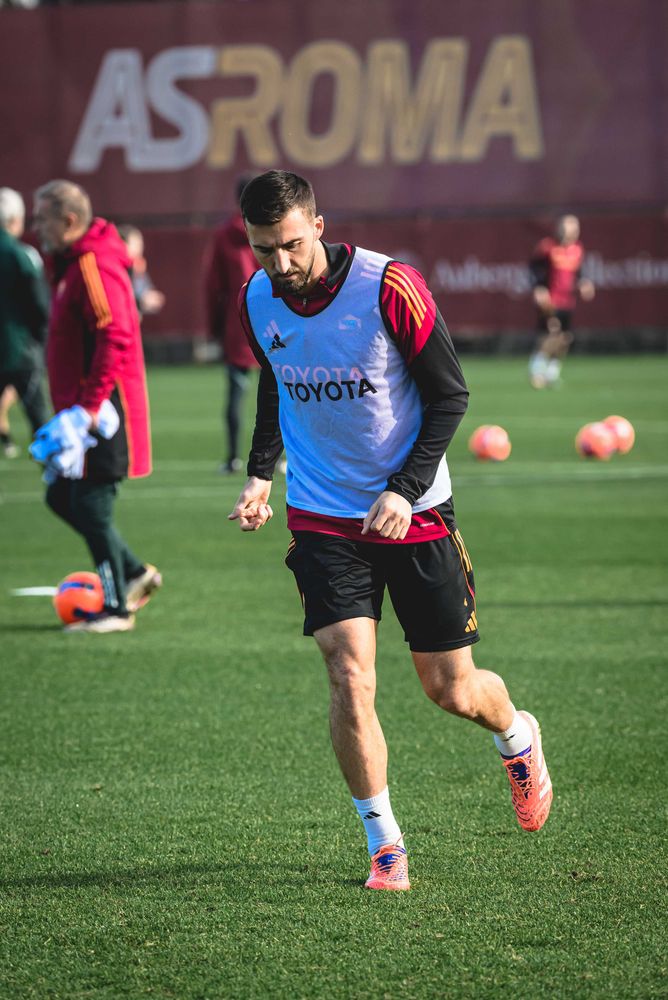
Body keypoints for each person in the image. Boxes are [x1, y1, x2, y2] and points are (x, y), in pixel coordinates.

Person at [229, 170, 553, 891]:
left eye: (290, 244)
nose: (279, 262)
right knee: (348, 674)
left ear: (318, 225)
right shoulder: (256, 297)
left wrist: (404, 490)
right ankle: (385, 845)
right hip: (323, 515)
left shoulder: (389, 287)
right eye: (262, 248)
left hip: (417, 512)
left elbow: (450, 395)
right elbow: (277, 380)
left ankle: (516, 735)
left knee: (451, 689)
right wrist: (260, 474)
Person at [31, 179, 162, 633]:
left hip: (105, 411)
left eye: (42, 219)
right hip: (83, 410)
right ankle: (133, 572)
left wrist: (88, 407)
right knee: (61, 496)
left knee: (89, 503)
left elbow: (115, 334)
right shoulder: (72, 264)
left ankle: (116, 607)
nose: (35, 228)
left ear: (68, 220)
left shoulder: (92, 264)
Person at [204, 175, 260, 473]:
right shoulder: (278, 228)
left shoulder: (225, 234)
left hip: (237, 324)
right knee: (282, 394)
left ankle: (233, 458)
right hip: (275, 323)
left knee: (236, 393)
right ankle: (278, 457)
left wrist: (215, 329)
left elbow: (214, 286)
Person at [0, 186, 51, 456]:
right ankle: (57, 475)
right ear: (14, 220)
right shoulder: (23, 255)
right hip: (21, 351)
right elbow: (40, 305)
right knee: (40, 421)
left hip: (17, 348)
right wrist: (40, 341)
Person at [528, 214, 595, 388]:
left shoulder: (577, 249)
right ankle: (536, 370)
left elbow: (579, 273)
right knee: (551, 333)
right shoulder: (547, 247)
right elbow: (533, 269)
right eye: (567, 228)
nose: (571, 232)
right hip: (550, 300)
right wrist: (538, 288)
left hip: (568, 301)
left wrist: (584, 283)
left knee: (565, 338)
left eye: (574, 228)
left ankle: (552, 374)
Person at [117, 225, 166, 319]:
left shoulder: (138, 265)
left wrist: (150, 297)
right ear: (123, 244)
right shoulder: (118, 268)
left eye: (141, 243)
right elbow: (120, 300)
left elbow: (145, 288)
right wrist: (141, 302)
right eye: (136, 244)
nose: (140, 248)